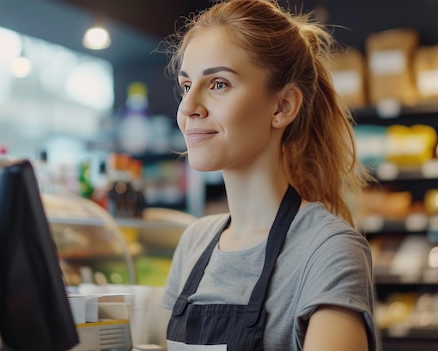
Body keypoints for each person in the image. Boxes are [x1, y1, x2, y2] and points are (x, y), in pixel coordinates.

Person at [160, 0, 376, 350]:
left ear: (282, 106)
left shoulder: (327, 250)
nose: (187, 108)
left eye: (218, 84)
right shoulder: (193, 243)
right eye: (186, 86)